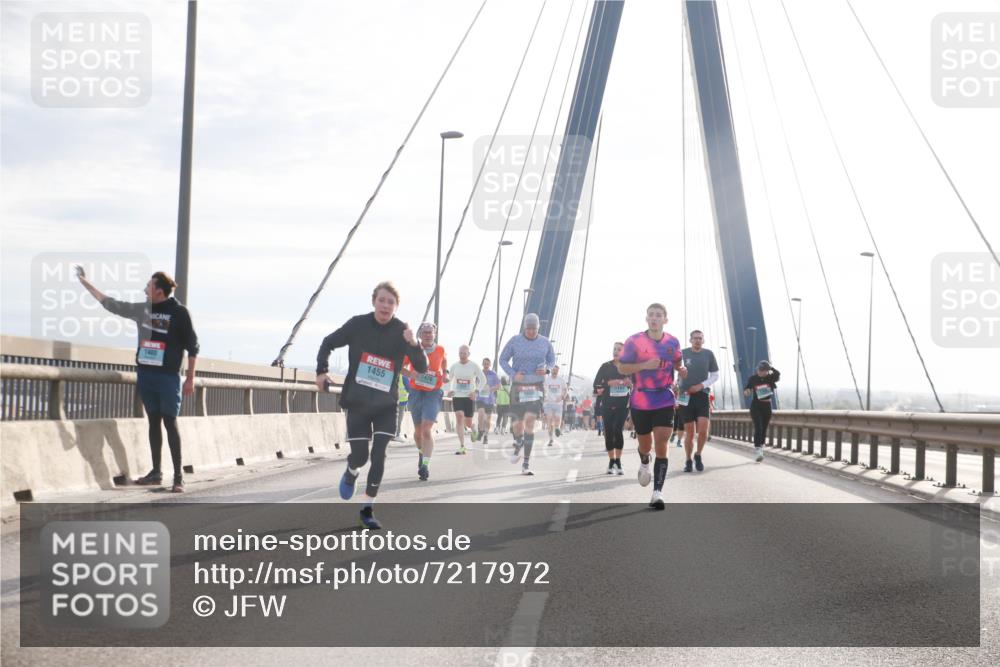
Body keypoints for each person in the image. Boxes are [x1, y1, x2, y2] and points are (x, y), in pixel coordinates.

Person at [315, 281, 426, 530]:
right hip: (357, 401)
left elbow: (421, 367)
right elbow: (327, 342)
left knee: (379, 454)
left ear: (396, 307)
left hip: (386, 405)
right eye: (382, 300)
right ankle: (352, 470)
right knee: (361, 455)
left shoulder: (402, 332)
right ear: (374, 301)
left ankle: (367, 508)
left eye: (391, 302)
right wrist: (321, 371)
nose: (386, 306)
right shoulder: (357, 324)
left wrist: (414, 344)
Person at [78, 267, 198, 493]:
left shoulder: (179, 313)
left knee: (170, 423)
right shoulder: (143, 309)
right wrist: (85, 283)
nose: (145, 289)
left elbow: (193, 347)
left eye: (149, 286)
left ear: (160, 292)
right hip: (146, 374)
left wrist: (189, 379)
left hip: (168, 377)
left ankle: (178, 477)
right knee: (153, 422)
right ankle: (156, 473)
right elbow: (110, 303)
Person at [615, 303, 688, 510]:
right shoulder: (634, 341)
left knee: (662, 444)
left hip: (664, 398)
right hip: (640, 400)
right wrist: (644, 366)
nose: (654, 319)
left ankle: (657, 493)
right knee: (646, 446)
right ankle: (645, 460)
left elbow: (677, 362)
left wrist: (681, 370)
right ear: (646, 319)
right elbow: (622, 367)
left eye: (658, 315)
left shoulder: (672, 341)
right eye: (651, 315)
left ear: (665, 319)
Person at [499, 313, 555, 476]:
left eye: (534, 329)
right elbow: (503, 359)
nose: (531, 331)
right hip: (518, 387)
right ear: (524, 327)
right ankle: (518, 441)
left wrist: (547, 370)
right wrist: (512, 373)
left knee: (529, 423)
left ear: (539, 328)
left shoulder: (545, 342)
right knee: (517, 424)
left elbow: (552, 361)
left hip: (536, 387)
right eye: (529, 328)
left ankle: (526, 463)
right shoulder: (515, 340)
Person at [403, 323, 447, 482]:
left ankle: (425, 465)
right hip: (416, 393)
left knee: (427, 430)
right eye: (425, 332)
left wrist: (445, 374)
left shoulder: (440, 349)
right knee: (418, 433)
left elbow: (444, 362)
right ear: (420, 334)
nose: (428, 335)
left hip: (433, 393)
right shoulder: (413, 350)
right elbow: (400, 367)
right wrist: (411, 373)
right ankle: (421, 453)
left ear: (435, 334)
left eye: (431, 332)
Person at [678, 330, 720, 472]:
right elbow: (672, 372)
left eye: (700, 338)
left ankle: (698, 454)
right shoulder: (682, 353)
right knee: (689, 433)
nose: (697, 340)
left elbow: (715, 375)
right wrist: (675, 386)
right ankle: (688, 460)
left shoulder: (708, 354)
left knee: (703, 431)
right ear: (690, 340)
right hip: (685, 396)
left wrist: (700, 386)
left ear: (703, 340)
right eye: (695, 338)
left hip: (702, 395)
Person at [593, 342, 631, 475]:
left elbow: (637, 383)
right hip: (608, 403)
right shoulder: (605, 366)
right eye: (614, 349)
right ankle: (611, 461)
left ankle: (618, 461)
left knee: (617, 430)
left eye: (619, 349)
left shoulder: (629, 367)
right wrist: (608, 383)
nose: (616, 351)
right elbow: (596, 385)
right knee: (608, 432)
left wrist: (630, 383)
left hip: (623, 404)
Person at [447, 345, 487, 455]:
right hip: (457, 395)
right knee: (459, 417)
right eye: (460, 353)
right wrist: (449, 390)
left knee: (468, 423)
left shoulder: (473, 366)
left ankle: (473, 428)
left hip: (469, 396)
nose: (462, 355)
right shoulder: (454, 366)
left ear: (468, 354)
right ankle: (462, 446)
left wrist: (476, 391)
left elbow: (483, 379)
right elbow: (448, 380)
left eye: (464, 353)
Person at [744, 360, 780, 462]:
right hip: (756, 406)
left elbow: (777, 374)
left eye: (763, 370)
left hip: (767, 406)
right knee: (758, 427)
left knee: (763, 429)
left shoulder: (770, 378)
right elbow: (747, 388)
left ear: (767, 371)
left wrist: (771, 368)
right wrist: (747, 392)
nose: (760, 371)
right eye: (759, 369)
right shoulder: (753, 378)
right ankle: (758, 449)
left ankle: (761, 447)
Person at [476, 358, 501, 444]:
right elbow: (473, 383)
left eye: (487, 364)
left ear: (489, 365)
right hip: (480, 398)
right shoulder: (479, 373)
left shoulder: (493, 374)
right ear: (482, 364)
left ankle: (486, 435)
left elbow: (498, 386)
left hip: (490, 399)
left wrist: (491, 388)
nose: (486, 365)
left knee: (488, 420)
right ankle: (481, 431)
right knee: (481, 414)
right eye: (484, 364)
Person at [542, 365, 568, 446]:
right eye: (553, 370)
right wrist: (544, 397)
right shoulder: (547, 380)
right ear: (551, 371)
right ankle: (551, 439)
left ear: (558, 371)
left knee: (557, 418)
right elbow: (543, 390)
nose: (555, 372)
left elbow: (565, 390)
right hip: (549, 403)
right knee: (549, 422)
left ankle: (557, 428)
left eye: (556, 370)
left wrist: (562, 396)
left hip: (558, 403)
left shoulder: (561, 380)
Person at [395, 374, 410, 441]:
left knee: (392, 418)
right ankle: (397, 435)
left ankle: (391, 434)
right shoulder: (404, 378)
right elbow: (409, 389)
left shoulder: (390, 375)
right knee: (399, 419)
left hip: (392, 401)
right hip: (401, 401)